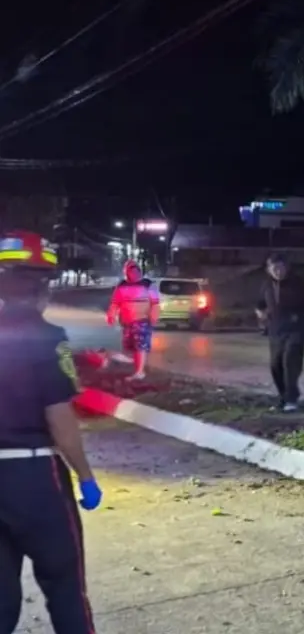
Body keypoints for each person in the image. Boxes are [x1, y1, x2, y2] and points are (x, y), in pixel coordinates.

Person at [0, 230, 102, 634]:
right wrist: (86, 476)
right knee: (65, 588)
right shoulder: (47, 340)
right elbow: (60, 421)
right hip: (35, 480)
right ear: (42, 288)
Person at [254, 254, 304, 412]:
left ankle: (292, 399)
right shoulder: (267, 285)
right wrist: (260, 312)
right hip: (276, 330)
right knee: (276, 365)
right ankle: (283, 396)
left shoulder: (298, 283)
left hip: (296, 329)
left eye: (280, 268)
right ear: (268, 270)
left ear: (286, 268)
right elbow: (260, 303)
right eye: (274, 268)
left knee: (290, 361)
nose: (278, 271)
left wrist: (300, 315)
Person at [106, 259, 159, 381]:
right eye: (131, 271)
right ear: (126, 273)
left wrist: (154, 316)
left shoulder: (148, 284)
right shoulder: (122, 286)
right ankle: (137, 369)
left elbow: (155, 303)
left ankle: (140, 372)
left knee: (140, 346)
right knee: (131, 347)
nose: (134, 274)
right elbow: (115, 303)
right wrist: (111, 315)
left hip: (142, 320)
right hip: (127, 322)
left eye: (136, 271)